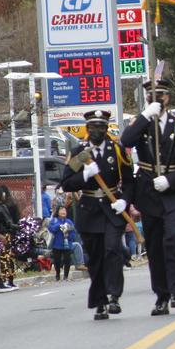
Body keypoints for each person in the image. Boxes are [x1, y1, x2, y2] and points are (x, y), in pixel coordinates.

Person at [121, 79, 175, 316]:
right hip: (148, 190)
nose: (156, 100)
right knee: (154, 245)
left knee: (173, 237)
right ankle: (161, 295)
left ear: (169, 98)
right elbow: (125, 141)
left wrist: (172, 180)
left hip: (172, 190)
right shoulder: (141, 122)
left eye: (161, 96)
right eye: (151, 96)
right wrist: (146, 116)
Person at [62, 109, 136, 320]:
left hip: (112, 208)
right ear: (87, 129)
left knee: (112, 250)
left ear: (106, 129)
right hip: (89, 209)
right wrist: (85, 175)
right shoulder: (79, 152)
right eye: (93, 127)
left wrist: (125, 200)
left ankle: (114, 296)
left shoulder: (117, 150)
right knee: (95, 257)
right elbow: (66, 183)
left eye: (101, 127)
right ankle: (100, 301)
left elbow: (130, 181)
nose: (97, 131)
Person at [47, 206, 77, 281]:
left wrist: (70, 237)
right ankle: (57, 274)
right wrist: (59, 225)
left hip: (67, 244)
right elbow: (51, 229)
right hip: (57, 244)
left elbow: (73, 232)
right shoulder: (54, 220)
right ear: (58, 212)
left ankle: (66, 276)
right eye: (61, 210)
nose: (63, 212)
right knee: (57, 261)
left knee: (67, 260)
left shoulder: (69, 221)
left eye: (64, 210)